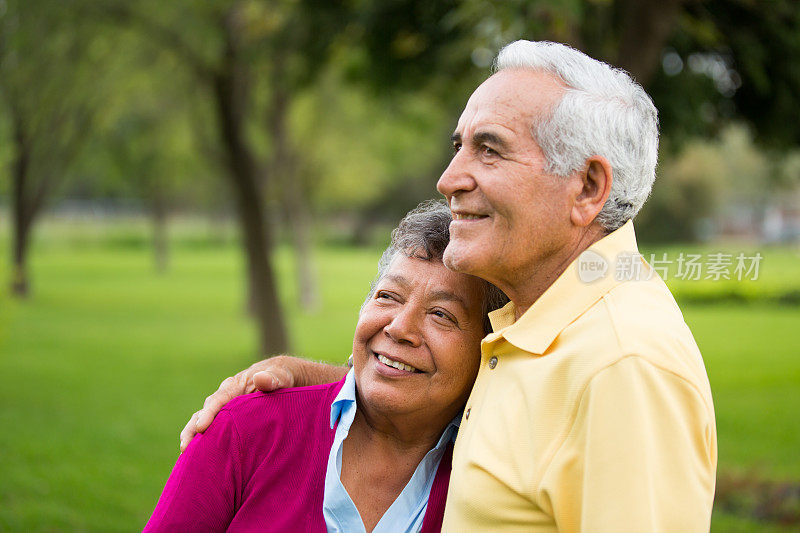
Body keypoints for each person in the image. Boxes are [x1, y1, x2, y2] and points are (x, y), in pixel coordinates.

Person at [183, 40, 718, 532]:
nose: (449, 178)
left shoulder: (622, 365)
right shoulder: (538, 325)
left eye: (490, 149)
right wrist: (315, 381)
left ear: (587, 187)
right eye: (460, 145)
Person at [145, 201, 506, 532]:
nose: (399, 328)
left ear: (489, 346)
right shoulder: (246, 430)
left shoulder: (496, 476)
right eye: (388, 296)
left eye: (441, 314)